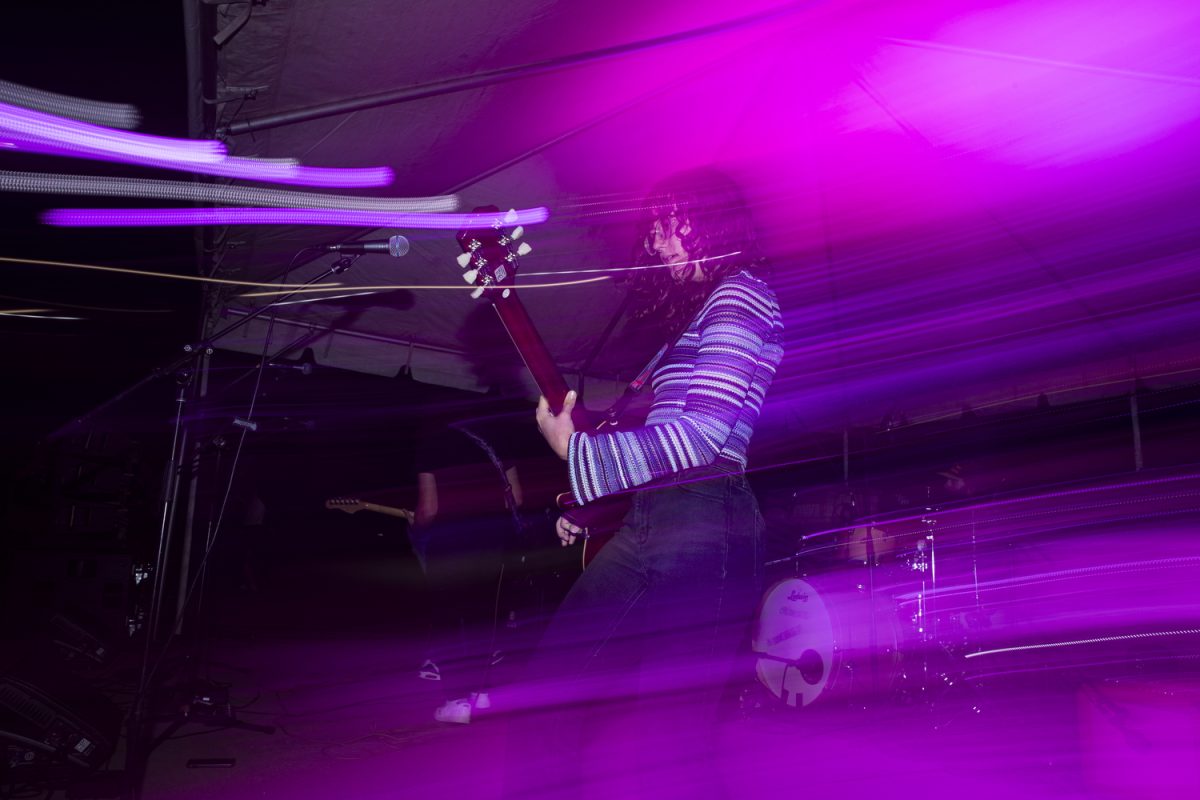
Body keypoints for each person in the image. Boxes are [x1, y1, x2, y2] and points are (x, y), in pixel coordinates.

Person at [502, 167, 785, 799]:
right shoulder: (691, 326)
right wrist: (594, 498)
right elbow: (658, 445)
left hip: (709, 519)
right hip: (652, 521)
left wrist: (579, 454)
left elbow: (705, 435)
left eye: (670, 224)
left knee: (671, 739)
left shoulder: (741, 296)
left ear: (714, 221)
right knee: (552, 685)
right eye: (653, 228)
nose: (656, 242)